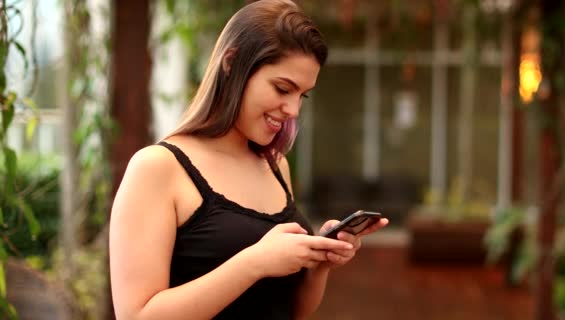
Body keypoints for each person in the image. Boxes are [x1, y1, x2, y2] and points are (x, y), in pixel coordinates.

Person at [109, 0, 389, 319]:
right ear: (232, 62)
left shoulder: (275, 167)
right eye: (283, 88)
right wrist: (255, 262)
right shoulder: (158, 168)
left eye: (302, 95)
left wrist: (318, 266)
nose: (293, 111)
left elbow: (290, 311)